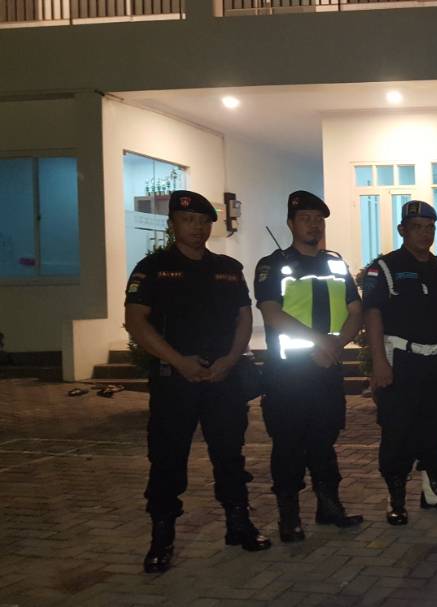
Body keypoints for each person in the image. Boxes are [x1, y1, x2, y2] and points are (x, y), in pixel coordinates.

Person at [125, 189, 271, 574]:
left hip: (223, 379)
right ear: (173, 224)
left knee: (230, 455)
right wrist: (179, 362)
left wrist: (230, 360)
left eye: (204, 221)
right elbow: (136, 321)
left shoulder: (227, 268)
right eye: (188, 220)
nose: (197, 228)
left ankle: (238, 523)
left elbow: (243, 318)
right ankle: (162, 537)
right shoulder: (152, 268)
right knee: (167, 459)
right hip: (175, 381)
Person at [254, 190, 364, 543]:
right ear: (291, 223)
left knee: (324, 441)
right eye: (306, 218)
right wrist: (320, 343)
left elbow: (356, 312)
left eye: (318, 219)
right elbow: (271, 312)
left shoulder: (335, 263)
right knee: (288, 445)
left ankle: (328, 506)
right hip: (289, 374)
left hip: (327, 369)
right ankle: (289, 516)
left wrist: (336, 345)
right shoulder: (273, 264)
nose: (314, 225)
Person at [364, 200, 437, 525]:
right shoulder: (385, 267)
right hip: (400, 360)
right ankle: (396, 498)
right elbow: (373, 314)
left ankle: (432, 490)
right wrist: (379, 362)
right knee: (398, 430)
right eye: (417, 227)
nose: (424, 233)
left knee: (436, 426)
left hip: (435, 360)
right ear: (402, 230)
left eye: (430, 227)